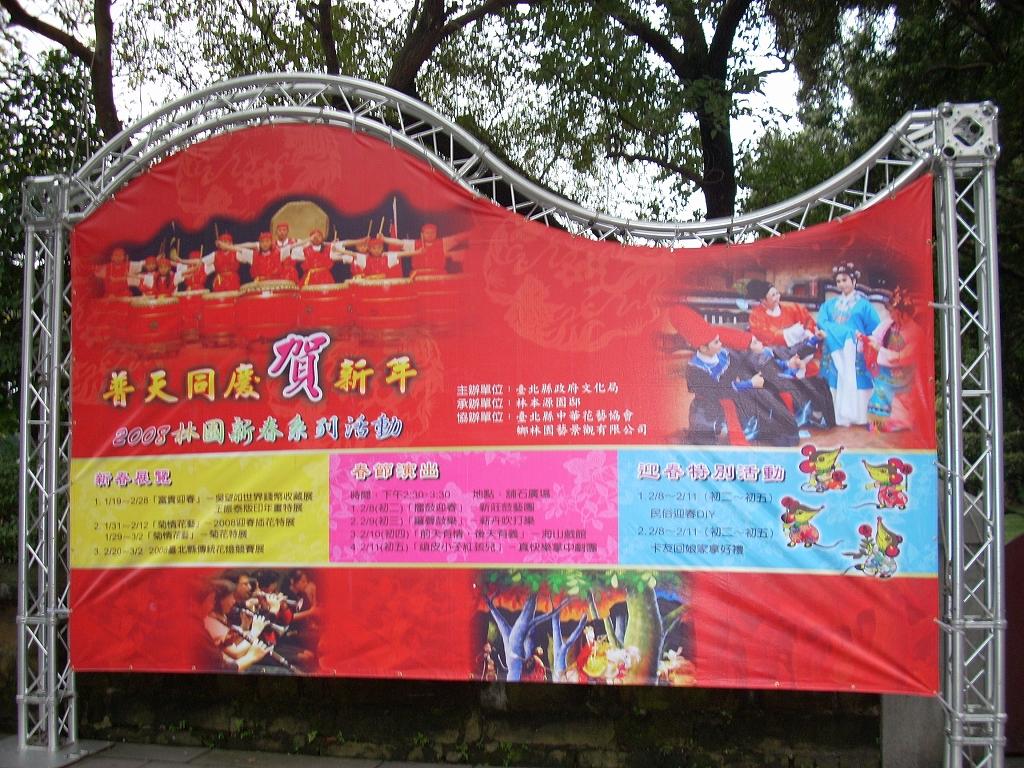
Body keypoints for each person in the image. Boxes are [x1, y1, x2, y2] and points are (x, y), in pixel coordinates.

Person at [671, 307, 799, 446]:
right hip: (710, 406)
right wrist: (749, 384)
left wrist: (785, 364)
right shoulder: (695, 369)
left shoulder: (723, 353)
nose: (721, 344)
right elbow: (718, 391)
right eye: (716, 342)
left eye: (719, 340)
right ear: (703, 348)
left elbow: (750, 360)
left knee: (765, 398)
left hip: (738, 396)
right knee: (703, 440)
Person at [816, 262, 880, 426]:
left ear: (854, 280)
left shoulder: (864, 305)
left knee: (856, 377)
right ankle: (834, 416)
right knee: (833, 377)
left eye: (844, 280)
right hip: (833, 349)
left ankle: (859, 416)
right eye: (838, 281)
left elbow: (875, 329)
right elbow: (822, 321)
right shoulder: (829, 305)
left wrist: (860, 339)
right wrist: (845, 333)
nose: (841, 284)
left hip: (855, 350)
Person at [865, 287, 922, 432]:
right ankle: (878, 423)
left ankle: (892, 422)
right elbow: (876, 337)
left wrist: (879, 349)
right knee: (878, 386)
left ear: (903, 312)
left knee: (884, 389)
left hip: (904, 374)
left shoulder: (916, 332)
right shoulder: (889, 324)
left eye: (892, 311)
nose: (890, 314)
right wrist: (866, 340)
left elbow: (901, 357)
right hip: (886, 370)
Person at [745, 279, 822, 375]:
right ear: (763, 300)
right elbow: (765, 336)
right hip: (775, 354)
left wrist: (806, 333)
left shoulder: (794, 308)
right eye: (773, 295)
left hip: (799, 351)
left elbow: (810, 325)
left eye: (777, 293)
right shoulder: (756, 315)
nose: (777, 297)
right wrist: (790, 333)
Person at [385, 223, 467, 274]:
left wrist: (472, 233)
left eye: (432, 232)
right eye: (427, 233)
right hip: (419, 275)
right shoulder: (415, 244)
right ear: (422, 234)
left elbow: (457, 238)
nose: (430, 235)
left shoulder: (442, 242)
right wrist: (383, 239)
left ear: (436, 233)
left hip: (438, 275)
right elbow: (399, 242)